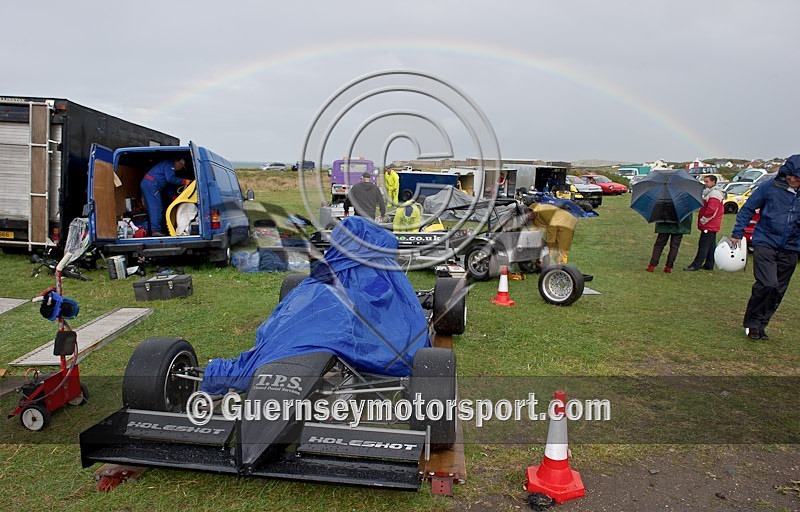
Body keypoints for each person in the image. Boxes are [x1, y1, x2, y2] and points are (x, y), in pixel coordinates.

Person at [730, 154, 800, 341]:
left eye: (797, 177)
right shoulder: (769, 187)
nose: (792, 179)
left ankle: (762, 324)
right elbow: (748, 208)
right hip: (765, 242)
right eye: (789, 175)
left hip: (792, 247)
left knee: (778, 290)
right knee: (768, 284)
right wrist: (737, 233)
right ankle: (752, 323)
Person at [140, 157, 190, 236]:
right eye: (181, 166)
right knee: (156, 208)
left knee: (153, 208)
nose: (180, 169)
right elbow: (170, 179)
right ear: (177, 162)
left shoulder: (167, 168)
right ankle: (155, 231)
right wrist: (184, 181)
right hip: (151, 185)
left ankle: (153, 229)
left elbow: (167, 185)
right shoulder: (169, 164)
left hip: (149, 184)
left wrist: (174, 197)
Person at [685, 175, 725, 271]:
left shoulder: (714, 194)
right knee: (710, 245)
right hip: (712, 223)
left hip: (710, 223)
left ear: (713, 182)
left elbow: (712, 209)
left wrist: (704, 219)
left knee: (704, 244)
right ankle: (709, 264)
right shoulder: (711, 193)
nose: (705, 184)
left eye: (707, 181)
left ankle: (696, 265)